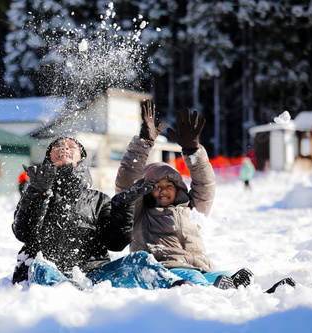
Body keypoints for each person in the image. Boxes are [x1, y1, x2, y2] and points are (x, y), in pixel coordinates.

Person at [115, 101, 295, 292]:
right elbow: (126, 182)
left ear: (178, 189)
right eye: (156, 187)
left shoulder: (190, 209)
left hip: (202, 268)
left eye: (169, 185)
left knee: (228, 276)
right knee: (197, 280)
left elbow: (205, 185)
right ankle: (220, 293)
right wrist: (144, 142)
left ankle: (258, 294)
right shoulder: (140, 212)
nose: (164, 190)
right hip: (167, 270)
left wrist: (193, 151)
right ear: (146, 190)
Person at [11, 137, 183, 289]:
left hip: (94, 276)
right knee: (40, 267)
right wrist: (38, 192)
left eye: (72, 146)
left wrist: (123, 208)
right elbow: (24, 233)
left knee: (140, 260)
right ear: (49, 157)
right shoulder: (37, 193)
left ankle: (177, 287)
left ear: (81, 159)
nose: (64, 148)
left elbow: (115, 243)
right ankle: (69, 293)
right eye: (57, 146)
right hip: (47, 273)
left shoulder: (99, 199)